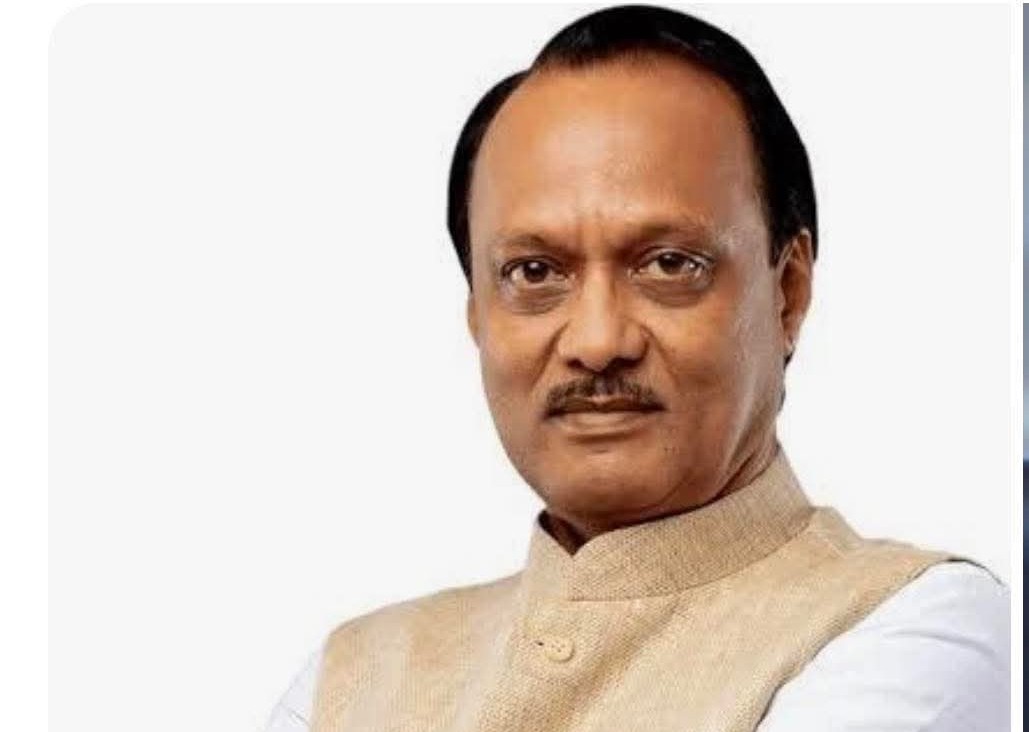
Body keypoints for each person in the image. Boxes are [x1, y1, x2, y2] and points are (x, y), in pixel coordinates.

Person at [264, 5, 1009, 731]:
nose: (597, 340)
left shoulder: (912, 624)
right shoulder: (350, 675)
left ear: (787, 292)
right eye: (533, 272)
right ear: (477, 317)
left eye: (668, 264)